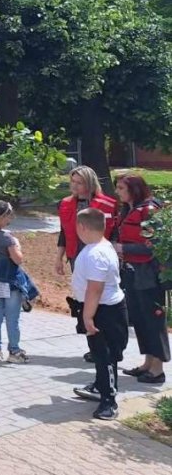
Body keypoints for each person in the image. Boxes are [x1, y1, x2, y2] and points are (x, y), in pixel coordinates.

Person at [54, 166, 117, 364]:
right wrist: (59, 257)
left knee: (102, 301)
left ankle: (107, 345)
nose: (74, 186)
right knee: (85, 301)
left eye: (79, 182)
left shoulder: (107, 204)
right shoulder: (65, 204)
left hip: (99, 258)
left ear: (90, 183)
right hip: (78, 258)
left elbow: (115, 233)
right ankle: (94, 345)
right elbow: (64, 232)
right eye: (72, 181)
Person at [71, 208, 128, 420]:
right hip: (98, 308)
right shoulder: (100, 246)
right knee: (98, 353)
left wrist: (87, 317)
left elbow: (95, 289)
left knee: (106, 356)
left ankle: (109, 401)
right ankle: (99, 386)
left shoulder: (96, 254)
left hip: (103, 311)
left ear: (82, 227)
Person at [113, 174, 167, 384]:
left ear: (134, 190)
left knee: (153, 320)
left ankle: (158, 369)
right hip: (132, 271)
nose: (117, 192)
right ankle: (148, 363)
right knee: (140, 318)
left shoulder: (148, 211)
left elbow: (152, 246)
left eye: (121, 188)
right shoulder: (130, 209)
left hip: (148, 274)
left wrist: (122, 248)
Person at [0, 201, 29, 364]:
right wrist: (17, 245)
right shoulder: (7, 238)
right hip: (10, 283)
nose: (10, 220)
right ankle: (14, 351)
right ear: (2, 217)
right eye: (9, 216)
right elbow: (18, 259)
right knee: (12, 318)